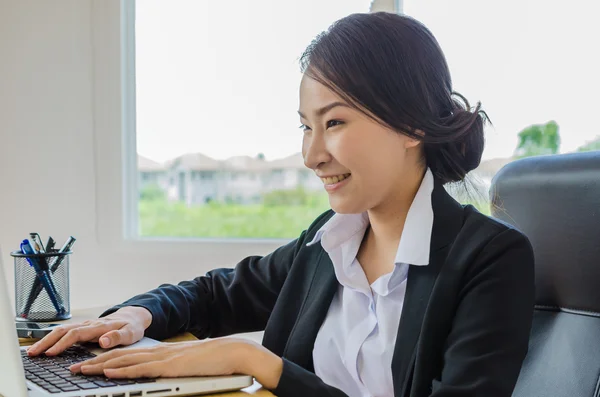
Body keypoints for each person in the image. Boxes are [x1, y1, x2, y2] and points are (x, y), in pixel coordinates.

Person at [28, 12, 535, 397]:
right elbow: (216, 295)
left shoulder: (490, 258)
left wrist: (261, 363)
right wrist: (137, 316)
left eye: (334, 123)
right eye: (305, 126)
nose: (312, 155)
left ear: (411, 126)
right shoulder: (329, 241)